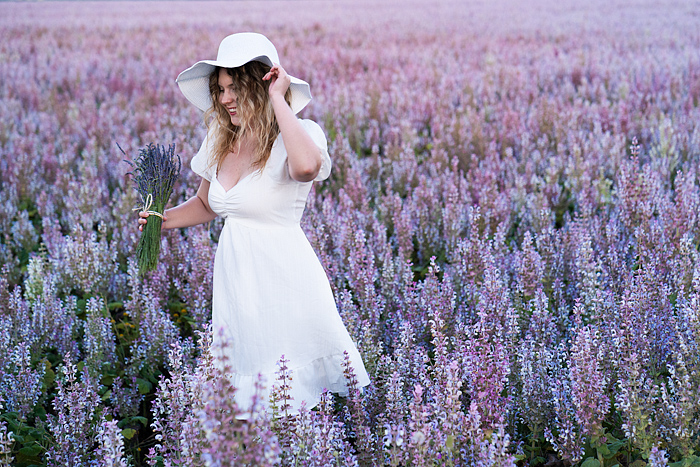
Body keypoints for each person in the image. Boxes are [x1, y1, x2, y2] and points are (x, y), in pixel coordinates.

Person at [138, 32, 370, 417]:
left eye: (235, 88)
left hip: (285, 283)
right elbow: (205, 203)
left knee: (287, 401)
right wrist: (161, 221)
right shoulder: (220, 139)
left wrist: (279, 99)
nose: (225, 99)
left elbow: (306, 168)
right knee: (243, 404)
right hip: (237, 286)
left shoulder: (300, 135)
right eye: (220, 90)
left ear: (260, 85)